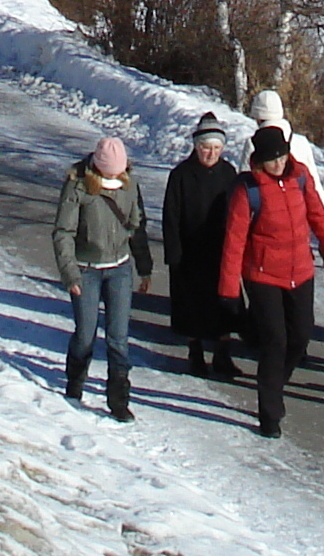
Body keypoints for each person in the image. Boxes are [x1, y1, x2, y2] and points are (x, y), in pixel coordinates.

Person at [218, 123, 324, 439]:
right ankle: (269, 412)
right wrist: (229, 290)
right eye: (272, 159)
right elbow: (234, 241)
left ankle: (274, 384)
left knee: (301, 336)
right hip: (263, 275)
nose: (278, 163)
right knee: (275, 341)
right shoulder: (248, 190)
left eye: (282, 156)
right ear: (259, 160)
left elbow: (319, 216)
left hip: (300, 271)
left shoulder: (300, 177)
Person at [53, 134, 147, 421]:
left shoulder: (129, 185)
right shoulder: (78, 186)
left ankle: (118, 400)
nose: (116, 175)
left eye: (119, 170)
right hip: (86, 269)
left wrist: (144, 268)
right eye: (110, 170)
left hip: (119, 269)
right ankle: (75, 383)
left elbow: (136, 227)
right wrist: (70, 274)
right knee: (85, 334)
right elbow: (63, 232)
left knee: (119, 337)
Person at [163, 115, 245, 379]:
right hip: (190, 253)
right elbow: (171, 216)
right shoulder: (181, 175)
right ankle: (195, 353)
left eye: (216, 149)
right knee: (192, 307)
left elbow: (238, 213)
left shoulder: (229, 173)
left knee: (225, 305)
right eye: (206, 148)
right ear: (196, 147)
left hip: (221, 251)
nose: (210, 153)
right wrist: (174, 253)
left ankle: (222, 355)